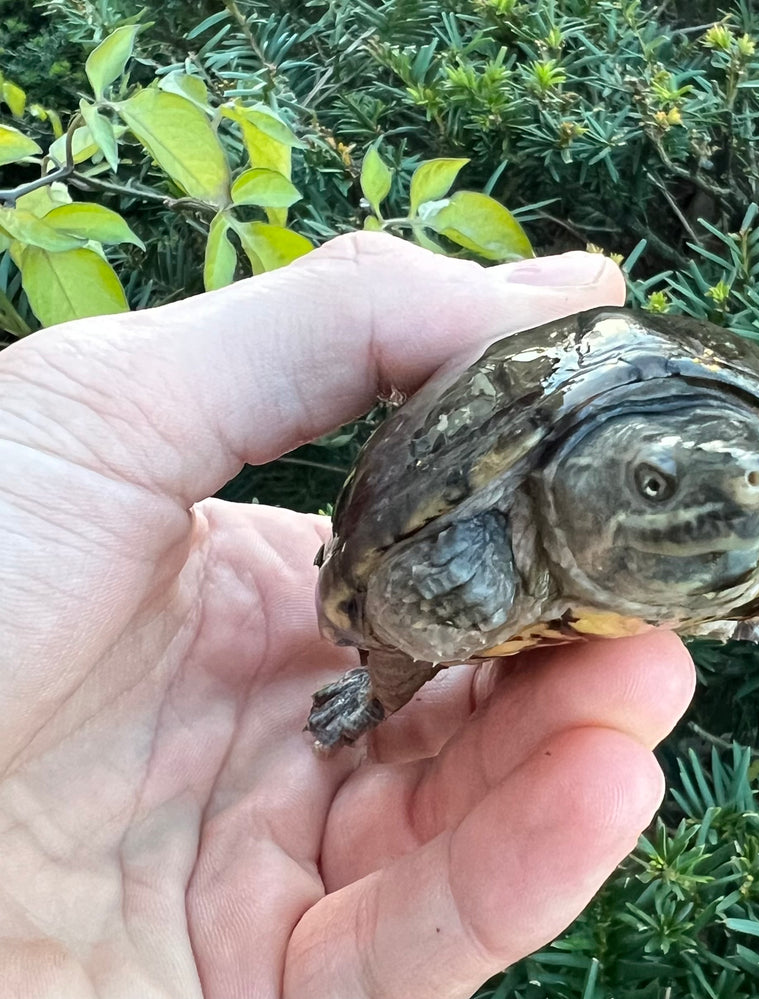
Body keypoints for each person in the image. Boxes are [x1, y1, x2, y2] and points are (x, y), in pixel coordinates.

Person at [0, 232, 696, 998]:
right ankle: (377, 686)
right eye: (655, 484)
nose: (740, 493)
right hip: (486, 529)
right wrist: (390, 663)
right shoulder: (490, 536)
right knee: (439, 601)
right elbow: (407, 587)